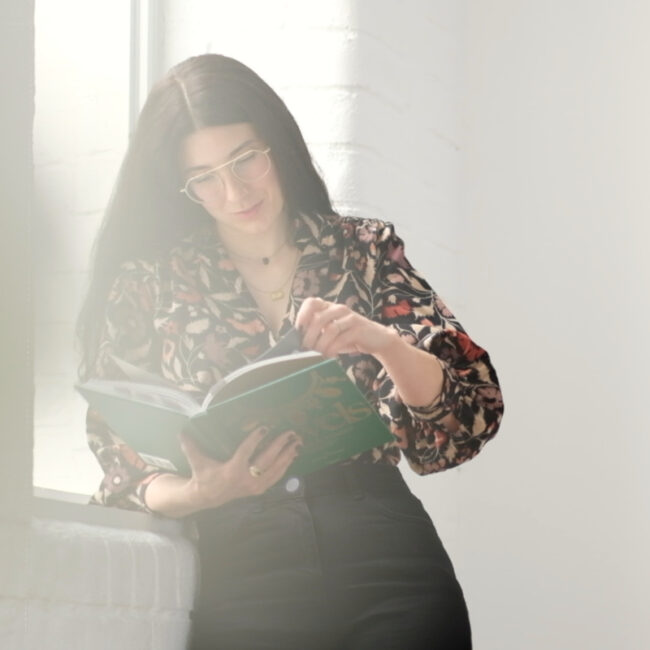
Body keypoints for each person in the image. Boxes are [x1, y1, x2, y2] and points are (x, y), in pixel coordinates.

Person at [77, 53, 504, 650]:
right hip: (245, 565)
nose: (232, 191)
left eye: (245, 159)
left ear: (275, 145)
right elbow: (117, 449)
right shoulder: (152, 284)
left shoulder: (364, 250)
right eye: (204, 177)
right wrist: (203, 493)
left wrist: (380, 341)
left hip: (387, 558)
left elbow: (466, 420)